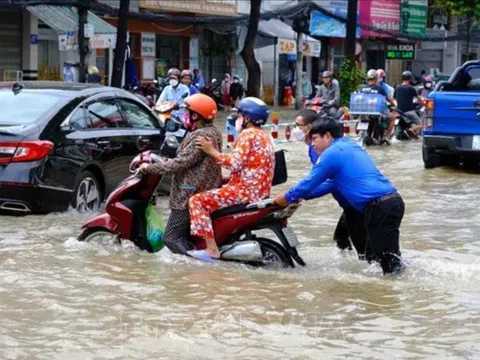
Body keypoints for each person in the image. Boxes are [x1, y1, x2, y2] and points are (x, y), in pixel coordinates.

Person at [273, 117, 405, 275]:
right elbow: (329, 183)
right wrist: (297, 196)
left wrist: (286, 197)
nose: (313, 144)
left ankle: (396, 294)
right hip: (387, 204)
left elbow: (310, 182)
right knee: (375, 259)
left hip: (380, 208)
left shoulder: (331, 154)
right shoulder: (349, 145)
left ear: (327, 136)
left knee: (388, 265)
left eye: (315, 138)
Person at [187, 97, 275, 262]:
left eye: (240, 115)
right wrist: (227, 179)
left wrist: (211, 150)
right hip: (259, 192)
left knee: (197, 201)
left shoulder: (247, 134)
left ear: (247, 118)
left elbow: (234, 163)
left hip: (244, 193)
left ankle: (211, 250)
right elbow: (252, 167)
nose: (237, 118)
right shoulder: (266, 136)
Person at [138, 94, 223, 255]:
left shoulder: (200, 136)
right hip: (205, 186)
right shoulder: (214, 132)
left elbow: (180, 163)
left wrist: (149, 168)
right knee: (183, 235)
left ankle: (193, 263)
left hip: (190, 191)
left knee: (170, 237)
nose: (185, 116)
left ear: (196, 115)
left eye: (188, 112)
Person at [292, 110, 367, 258]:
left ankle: (362, 274)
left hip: (354, 202)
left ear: (310, 127)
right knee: (341, 239)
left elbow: (328, 182)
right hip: (351, 202)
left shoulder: (323, 150)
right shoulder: (318, 148)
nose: (295, 129)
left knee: (360, 248)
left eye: (298, 125)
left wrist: (300, 194)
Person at [361, 69, 395, 139]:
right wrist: (393, 103)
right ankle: (387, 136)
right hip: (377, 112)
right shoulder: (380, 89)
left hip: (365, 112)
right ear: (376, 78)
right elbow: (388, 99)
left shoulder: (363, 89)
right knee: (392, 118)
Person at [394, 71, 424, 135]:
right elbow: (419, 99)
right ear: (410, 78)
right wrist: (423, 103)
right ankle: (411, 129)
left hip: (399, 112)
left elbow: (395, 98)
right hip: (409, 112)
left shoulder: (397, 88)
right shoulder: (411, 88)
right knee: (421, 125)